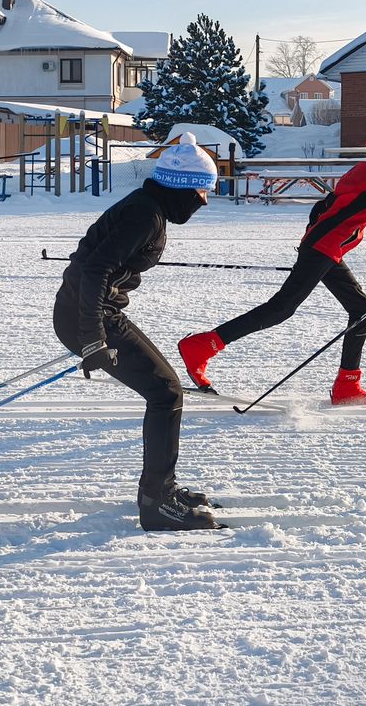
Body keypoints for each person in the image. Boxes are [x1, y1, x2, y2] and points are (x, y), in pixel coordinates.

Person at [179, 115, 366, 405]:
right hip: (323, 249)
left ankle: (348, 385)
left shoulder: (362, 170)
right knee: (281, 309)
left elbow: (323, 207)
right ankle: (203, 346)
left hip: (325, 249)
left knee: (361, 311)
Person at [53, 132, 222, 532]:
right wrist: (93, 336)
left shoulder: (148, 209)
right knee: (165, 393)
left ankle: (161, 489)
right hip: (88, 317)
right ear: (182, 188)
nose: (204, 201)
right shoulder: (144, 215)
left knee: (167, 390)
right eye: (202, 191)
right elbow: (95, 270)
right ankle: (157, 503)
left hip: (92, 312)